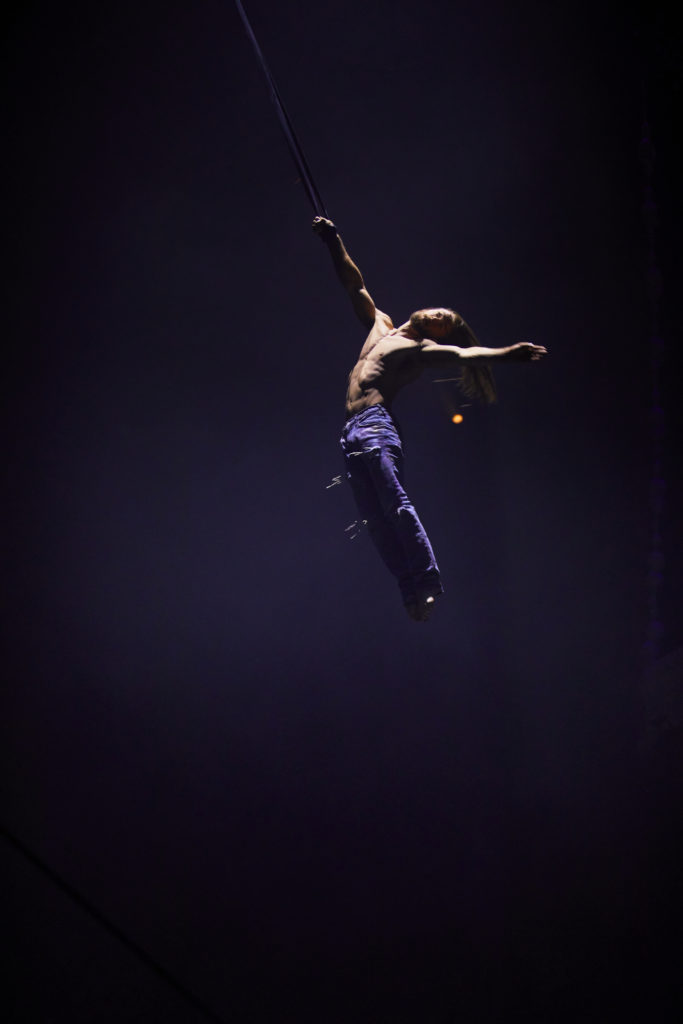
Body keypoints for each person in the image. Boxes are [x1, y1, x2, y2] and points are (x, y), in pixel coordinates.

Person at [313, 216, 546, 622]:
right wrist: (332, 238)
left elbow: (463, 356)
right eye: (442, 312)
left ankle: (427, 581)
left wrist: (508, 353)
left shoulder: (418, 350)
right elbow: (355, 283)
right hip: (350, 433)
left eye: (444, 323)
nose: (438, 316)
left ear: (436, 334)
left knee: (395, 506)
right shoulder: (381, 326)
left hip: (374, 426)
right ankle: (410, 590)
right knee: (374, 521)